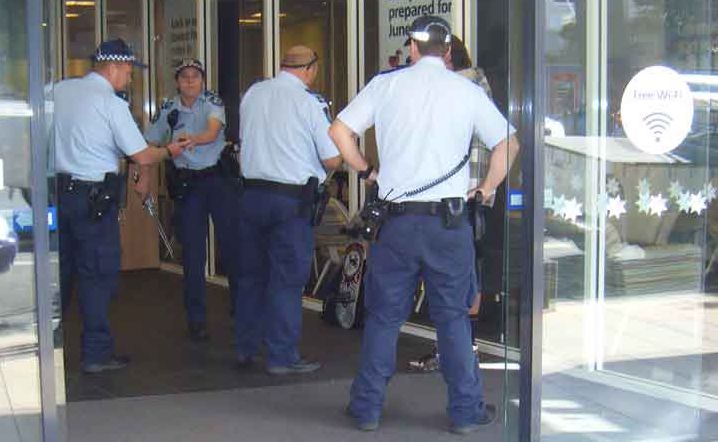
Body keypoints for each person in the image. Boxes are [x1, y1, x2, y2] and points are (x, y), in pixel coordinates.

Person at [328, 16, 520, 434]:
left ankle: (366, 408)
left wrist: (366, 171)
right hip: (447, 226)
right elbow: (509, 142)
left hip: (396, 225)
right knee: (452, 317)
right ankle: (466, 412)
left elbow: (339, 131)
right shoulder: (466, 90)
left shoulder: (386, 85)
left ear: (412, 48)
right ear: (448, 51)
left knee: (383, 317)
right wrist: (486, 188)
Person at [56, 39, 191, 373]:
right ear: (114, 67)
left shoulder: (59, 91)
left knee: (60, 275)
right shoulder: (110, 103)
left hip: (59, 195)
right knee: (97, 275)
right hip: (93, 200)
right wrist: (169, 152)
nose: (129, 79)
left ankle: (48, 349)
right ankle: (96, 354)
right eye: (129, 71)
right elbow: (142, 154)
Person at [235, 45, 342, 374]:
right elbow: (332, 158)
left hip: (251, 197)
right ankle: (281, 356)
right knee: (286, 279)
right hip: (290, 202)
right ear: (311, 69)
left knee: (250, 277)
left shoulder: (253, 93)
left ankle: (246, 348)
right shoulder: (308, 103)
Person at [408, 34, 493, 373]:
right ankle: (458, 349)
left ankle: (458, 351)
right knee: (464, 274)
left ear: (447, 58)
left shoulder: (460, 90)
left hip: (459, 197)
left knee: (458, 279)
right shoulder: (474, 89)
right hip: (472, 196)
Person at [144, 58, 239, 342]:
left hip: (217, 181)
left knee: (232, 248)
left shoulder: (212, 101)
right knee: (193, 255)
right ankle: (196, 320)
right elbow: (151, 141)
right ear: (177, 81)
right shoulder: (168, 108)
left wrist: (191, 139)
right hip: (188, 185)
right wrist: (144, 173)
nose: (189, 81)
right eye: (184, 77)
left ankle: (241, 310)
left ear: (202, 80)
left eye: (195, 76)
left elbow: (212, 132)